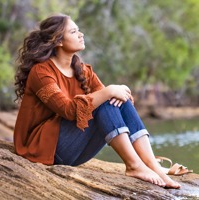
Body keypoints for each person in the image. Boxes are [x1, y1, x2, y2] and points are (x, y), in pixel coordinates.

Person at [14, 13, 180, 189]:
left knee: (114, 100)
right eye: (74, 31)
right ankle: (134, 166)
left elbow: (115, 100)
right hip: (43, 149)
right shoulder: (41, 73)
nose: (81, 34)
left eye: (79, 30)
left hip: (75, 150)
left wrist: (116, 91)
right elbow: (69, 110)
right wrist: (110, 91)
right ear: (58, 41)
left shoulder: (82, 70)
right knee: (105, 99)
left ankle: (152, 165)